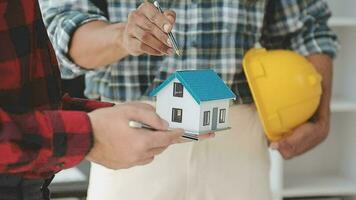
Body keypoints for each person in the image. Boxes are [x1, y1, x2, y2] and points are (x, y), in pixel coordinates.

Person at [39, 0, 338, 199]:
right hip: (130, 139)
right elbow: (58, 32)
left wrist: (320, 115)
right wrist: (122, 36)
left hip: (239, 146)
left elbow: (308, 27)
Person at [0, 1, 183, 199]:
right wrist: (89, 135)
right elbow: (60, 27)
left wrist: (103, 120)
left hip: (33, 182)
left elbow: (32, 101)